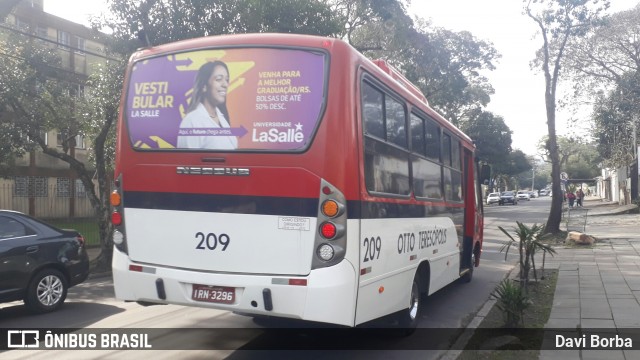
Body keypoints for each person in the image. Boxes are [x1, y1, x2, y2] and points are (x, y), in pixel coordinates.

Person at [177, 61, 237, 149]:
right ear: (204, 86)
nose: (225, 84)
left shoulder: (222, 118)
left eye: (227, 80)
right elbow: (187, 161)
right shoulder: (192, 121)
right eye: (219, 79)